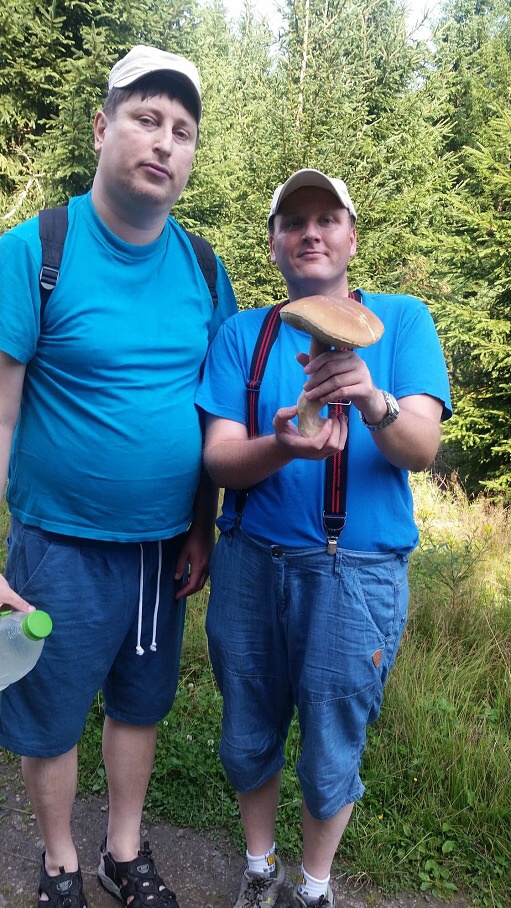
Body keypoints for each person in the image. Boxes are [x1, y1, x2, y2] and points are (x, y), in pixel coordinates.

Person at [0, 45, 237, 908]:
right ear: (102, 129)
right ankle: (60, 860)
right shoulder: (35, 252)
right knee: (50, 712)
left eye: (182, 130)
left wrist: (203, 524)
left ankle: (123, 852)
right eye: (146, 118)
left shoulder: (204, 267)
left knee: (140, 705)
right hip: (56, 546)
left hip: (160, 551)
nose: (164, 141)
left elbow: (214, 417)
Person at [195, 168, 452, 908]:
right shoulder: (242, 334)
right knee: (246, 731)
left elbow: (421, 449)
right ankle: (259, 869)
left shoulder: (402, 321)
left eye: (327, 219)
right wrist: (282, 447)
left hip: (357, 571)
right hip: (250, 564)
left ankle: (312, 887)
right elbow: (219, 461)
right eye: (293, 222)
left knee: (333, 742)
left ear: (351, 236)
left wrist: (371, 398)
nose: (310, 233)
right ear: (274, 244)